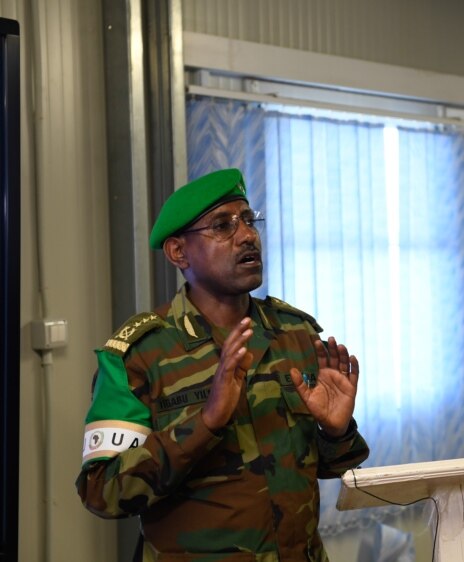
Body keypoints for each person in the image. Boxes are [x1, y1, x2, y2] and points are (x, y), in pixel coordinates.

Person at [76, 168, 370, 562]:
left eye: (249, 220)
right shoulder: (138, 355)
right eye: (222, 225)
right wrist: (206, 423)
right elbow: (102, 491)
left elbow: (330, 467)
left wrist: (336, 432)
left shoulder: (296, 334)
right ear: (178, 252)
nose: (247, 235)